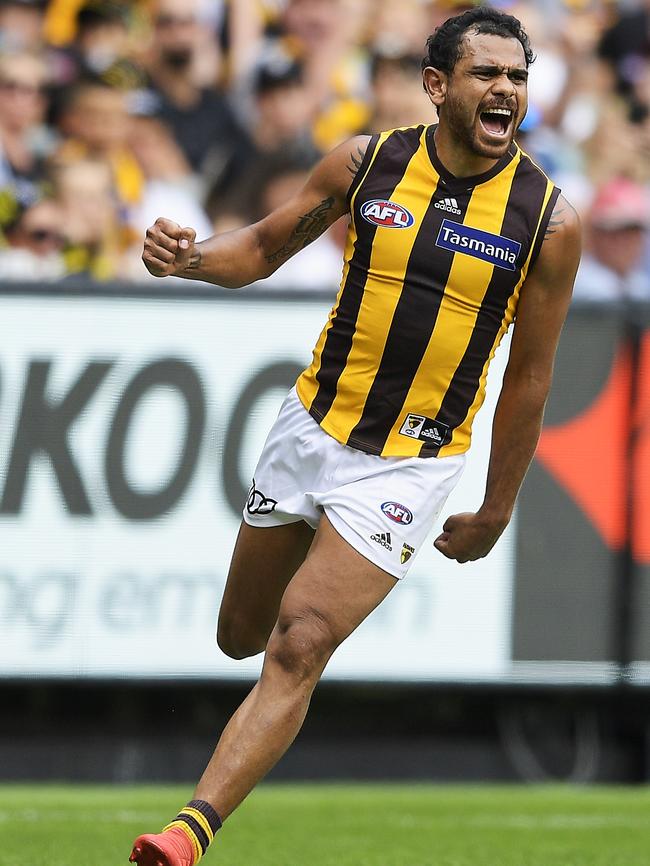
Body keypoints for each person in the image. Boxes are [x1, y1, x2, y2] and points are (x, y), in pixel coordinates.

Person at [130, 8, 581, 865]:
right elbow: (262, 248)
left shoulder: (548, 222)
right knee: (241, 633)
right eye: (487, 74)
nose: (506, 90)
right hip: (312, 426)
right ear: (439, 85)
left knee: (301, 641)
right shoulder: (367, 164)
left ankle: (188, 833)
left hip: (410, 463)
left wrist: (497, 505)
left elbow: (529, 378)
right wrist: (188, 259)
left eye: (517, 77)